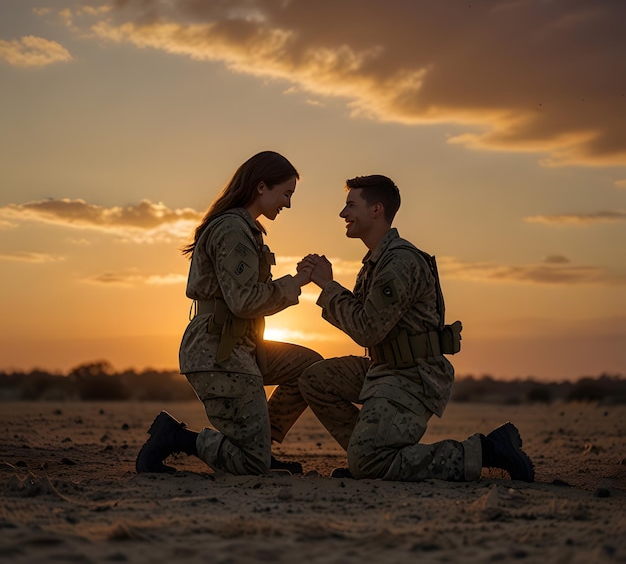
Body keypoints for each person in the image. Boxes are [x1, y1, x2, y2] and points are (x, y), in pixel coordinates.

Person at [297, 175, 534, 483]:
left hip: (412, 375)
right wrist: (330, 287)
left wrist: (328, 286)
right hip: (383, 368)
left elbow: (367, 329)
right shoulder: (376, 261)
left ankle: (484, 451)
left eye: (351, 206)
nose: (343, 214)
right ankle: (371, 454)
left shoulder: (399, 262)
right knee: (315, 380)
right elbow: (362, 318)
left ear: (376, 210)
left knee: (367, 465)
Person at [136, 151, 322, 476]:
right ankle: (175, 438)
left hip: (243, 345)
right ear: (262, 187)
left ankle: (260, 444)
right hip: (218, 352)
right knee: (251, 465)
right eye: (286, 194)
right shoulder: (234, 231)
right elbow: (244, 301)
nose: (288, 204)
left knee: (309, 368)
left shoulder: (247, 229)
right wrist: (295, 282)